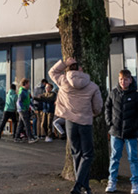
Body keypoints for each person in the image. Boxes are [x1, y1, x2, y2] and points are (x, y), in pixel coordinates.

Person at [49, 57, 103, 194]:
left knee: (76, 153)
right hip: (85, 122)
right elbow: (98, 107)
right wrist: (92, 113)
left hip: (70, 122)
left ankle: (84, 186)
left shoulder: (63, 81)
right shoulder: (92, 86)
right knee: (88, 155)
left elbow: (52, 72)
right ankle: (79, 185)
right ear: (80, 69)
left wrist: (64, 62)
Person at [105, 69, 138, 194]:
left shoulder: (136, 96)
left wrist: (135, 126)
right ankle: (112, 181)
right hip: (115, 131)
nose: (123, 81)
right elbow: (107, 107)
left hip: (131, 133)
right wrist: (109, 122)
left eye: (126, 79)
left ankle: (135, 183)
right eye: (121, 79)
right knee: (114, 157)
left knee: (133, 158)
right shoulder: (113, 93)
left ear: (130, 80)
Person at [14, 78, 38, 143]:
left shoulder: (26, 91)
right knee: (27, 123)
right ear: (25, 84)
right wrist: (23, 108)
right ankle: (30, 138)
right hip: (23, 110)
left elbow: (29, 101)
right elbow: (19, 101)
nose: (29, 85)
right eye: (28, 83)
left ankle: (16, 137)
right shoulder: (22, 92)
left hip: (24, 109)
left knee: (21, 124)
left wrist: (33, 107)